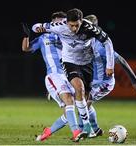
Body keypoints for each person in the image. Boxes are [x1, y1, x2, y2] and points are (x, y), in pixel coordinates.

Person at [32, 8, 114, 138]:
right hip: (69, 62)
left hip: (87, 64)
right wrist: (38, 28)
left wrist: (110, 66)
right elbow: (36, 26)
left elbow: (107, 42)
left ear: (82, 21)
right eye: (71, 25)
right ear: (66, 23)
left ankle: (90, 128)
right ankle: (86, 126)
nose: (74, 28)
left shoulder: (89, 27)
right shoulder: (59, 26)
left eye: (77, 25)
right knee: (79, 88)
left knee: (84, 96)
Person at [21, 11, 85, 142]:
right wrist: (26, 36)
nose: (60, 25)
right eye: (57, 22)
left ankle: (48, 132)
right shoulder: (43, 38)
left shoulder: (67, 36)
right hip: (54, 75)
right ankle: (76, 132)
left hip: (69, 75)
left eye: (62, 22)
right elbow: (26, 49)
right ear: (52, 23)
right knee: (68, 99)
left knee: (71, 111)